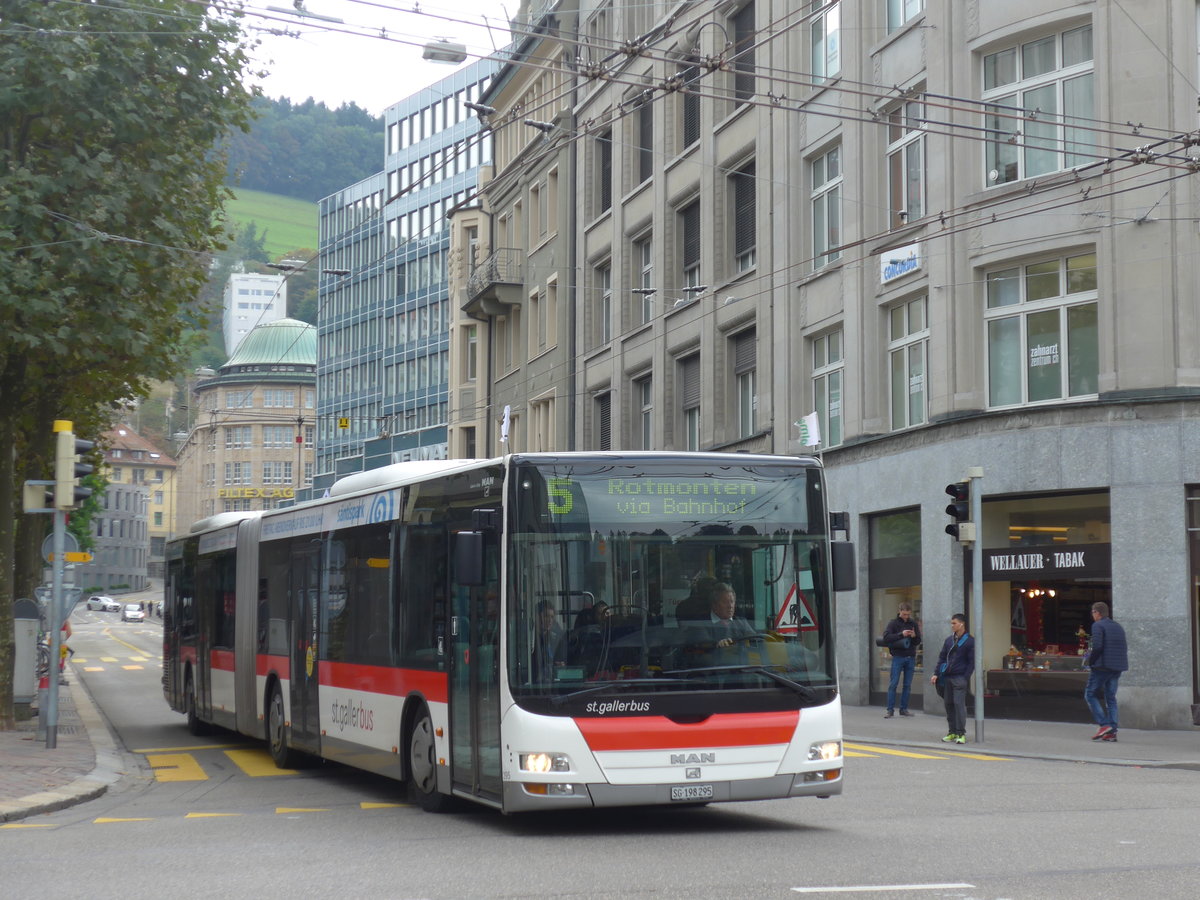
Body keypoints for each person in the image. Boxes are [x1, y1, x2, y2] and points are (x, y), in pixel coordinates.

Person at [1084, 601, 1128, 742]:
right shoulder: (1118, 626)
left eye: (1093, 612)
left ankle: (1104, 724)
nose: (1092, 615)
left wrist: (1091, 661)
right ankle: (1112, 731)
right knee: (1111, 698)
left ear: (1097, 612)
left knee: (1090, 694)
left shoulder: (1098, 625)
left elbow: (1097, 646)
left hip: (1102, 666)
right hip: (1117, 667)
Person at [685, 583, 756, 666]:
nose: (730, 606)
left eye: (732, 601)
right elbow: (703, 643)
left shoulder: (741, 622)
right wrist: (718, 644)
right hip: (710, 673)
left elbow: (755, 641)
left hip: (739, 670)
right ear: (714, 605)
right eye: (725, 602)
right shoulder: (700, 623)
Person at [931, 613, 974, 744]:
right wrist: (936, 673)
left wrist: (965, 677)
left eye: (954, 623)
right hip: (947, 678)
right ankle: (952, 732)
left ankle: (961, 733)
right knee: (949, 705)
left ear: (962, 624)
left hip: (959, 678)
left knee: (959, 705)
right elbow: (942, 658)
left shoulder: (969, 641)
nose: (952, 626)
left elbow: (972, 662)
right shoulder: (949, 640)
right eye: (951, 623)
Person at [880, 601, 921, 718]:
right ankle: (890, 710)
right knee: (893, 684)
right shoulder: (893, 623)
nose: (906, 617)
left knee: (907, 685)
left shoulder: (913, 623)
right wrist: (901, 634)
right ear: (899, 612)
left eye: (908, 614)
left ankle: (903, 709)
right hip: (898, 657)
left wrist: (914, 636)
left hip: (910, 657)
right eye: (904, 614)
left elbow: (918, 641)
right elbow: (886, 637)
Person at [531, 600, 564, 682]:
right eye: (546, 616)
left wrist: (561, 665)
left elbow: (560, 662)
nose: (550, 620)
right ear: (537, 616)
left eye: (552, 617)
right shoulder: (530, 639)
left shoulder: (556, 639)